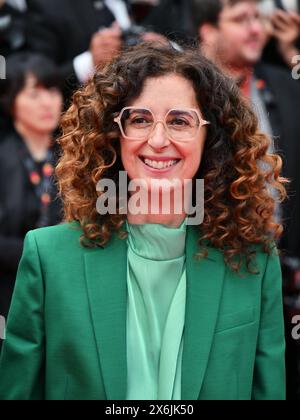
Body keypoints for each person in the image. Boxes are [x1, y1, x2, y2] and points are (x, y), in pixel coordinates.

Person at [0, 43, 287, 400]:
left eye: (180, 121)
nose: (158, 140)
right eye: (139, 119)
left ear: (212, 137)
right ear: (112, 133)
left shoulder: (254, 261)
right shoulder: (49, 257)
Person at [192, 0, 300, 400]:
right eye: (241, 20)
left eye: (259, 18)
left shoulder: (282, 82)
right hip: (209, 266)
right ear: (208, 30)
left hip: (279, 271)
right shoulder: (184, 94)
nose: (256, 29)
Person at [0, 53, 63, 339]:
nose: (47, 102)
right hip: (10, 293)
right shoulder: (3, 159)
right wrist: (43, 252)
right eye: (34, 94)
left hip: (64, 289)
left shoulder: (74, 156)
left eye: (51, 90)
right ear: (10, 101)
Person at [25, 0, 167, 100]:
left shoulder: (131, 5)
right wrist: (89, 62)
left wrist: (165, 48)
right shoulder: (47, 6)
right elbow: (35, 79)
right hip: (77, 124)